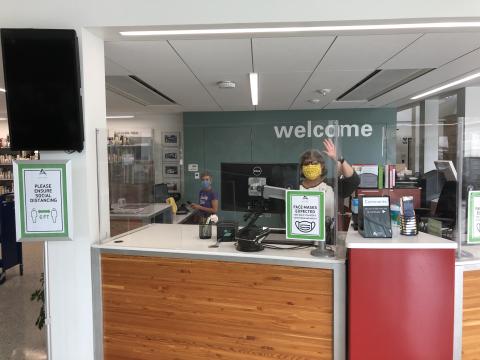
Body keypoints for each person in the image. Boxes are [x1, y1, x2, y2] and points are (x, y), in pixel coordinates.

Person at [300, 138, 360, 219]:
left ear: (322, 166)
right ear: (302, 168)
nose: (310, 166)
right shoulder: (294, 187)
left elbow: (354, 180)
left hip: (327, 230)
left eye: (314, 163)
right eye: (307, 163)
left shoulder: (331, 185)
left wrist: (339, 159)